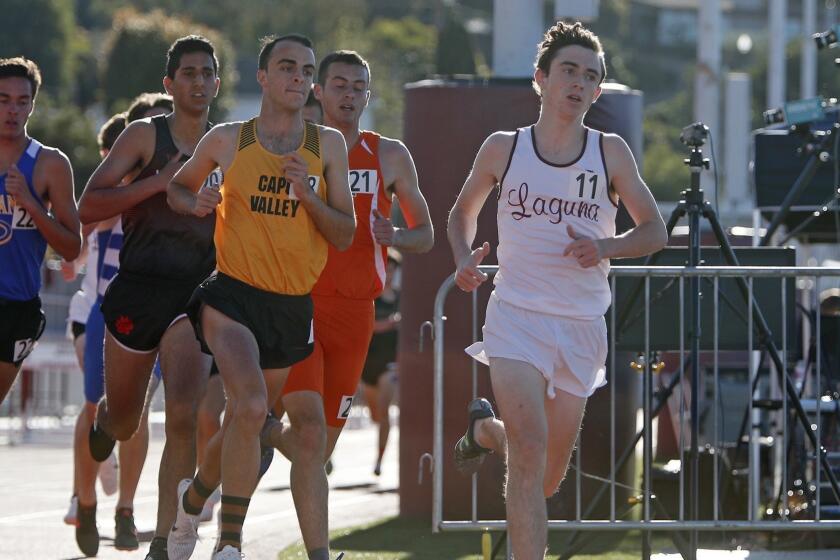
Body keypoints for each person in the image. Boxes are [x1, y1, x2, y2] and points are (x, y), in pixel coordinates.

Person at [447, 22, 667, 559]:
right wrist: (463, 260)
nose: (579, 83)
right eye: (569, 71)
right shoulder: (505, 148)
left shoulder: (609, 152)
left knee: (545, 477)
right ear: (541, 79)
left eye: (590, 76)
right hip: (516, 318)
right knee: (530, 449)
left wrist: (605, 247)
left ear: (597, 91)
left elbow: (655, 231)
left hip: (581, 326)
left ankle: (485, 433)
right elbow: (462, 213)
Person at [165, 34, 355, 560]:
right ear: (264, 78)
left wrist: (309, 196)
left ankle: (194, 498)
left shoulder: (327, 147)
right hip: (231, 296)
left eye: (306, 70)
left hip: (291, 306)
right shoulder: (228, 139)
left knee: (243, 421)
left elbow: (343, 234)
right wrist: (197, 200)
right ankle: (229, 542)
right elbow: (178, 188)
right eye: (287, 67)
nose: (298, 77)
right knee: (248, 405)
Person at [260, 46, 433, 543]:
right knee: (312, 436)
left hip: (358, 311)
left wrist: (394, 235)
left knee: (321, 446)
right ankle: (312, 549)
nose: (349, 95)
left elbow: (426, 235)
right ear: (318, 90)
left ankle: (261, 427)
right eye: (339, 85)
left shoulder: (389, 154)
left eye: (359, 87)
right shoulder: (297, 147)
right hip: (301, 303)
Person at [78, 36, 222, 560]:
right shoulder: (145, 134)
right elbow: (88, 205)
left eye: (208, 73)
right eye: (188, 73)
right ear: (170, 84)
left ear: (219, 83)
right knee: (125, 421)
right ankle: (106, 424)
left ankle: (166, 538)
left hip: (194, 296)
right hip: (137, 288)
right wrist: (158, 183)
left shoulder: (226, 143)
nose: (199, 82)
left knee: (183, 414)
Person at [0, 56, 81, 405]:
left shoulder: (50, 164)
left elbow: (72, 247)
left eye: (22, 101)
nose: (12, 110)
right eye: (3, 100)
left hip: (17, 305)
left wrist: (32, 204)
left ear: (32, 105)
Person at [360, 248, 401, 476]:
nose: (390, 273)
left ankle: (379, 461)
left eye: (394, 269)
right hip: (367, 364)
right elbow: (370, 326)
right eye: (387, 267)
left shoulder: (402, 299)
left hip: (389, 365)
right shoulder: (370, 296)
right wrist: (393, 323)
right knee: (375, 415)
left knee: (384, 412)